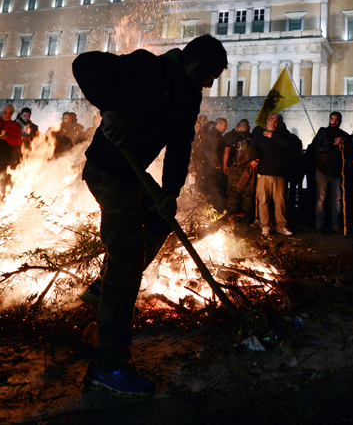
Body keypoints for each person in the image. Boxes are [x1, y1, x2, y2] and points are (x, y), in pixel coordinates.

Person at [72, 33, 227, 397]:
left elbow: (179, 147)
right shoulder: (146, 65)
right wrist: (108, 108)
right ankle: (107, 365)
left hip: (134, 176)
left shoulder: (190, 95)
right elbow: (85, 64)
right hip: (110, 170)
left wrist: (170, 193)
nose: (210, 84)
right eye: (211, 77)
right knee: (126, 260)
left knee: (161, 222)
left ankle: (101, 287)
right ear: (199, 66)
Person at [251, 113, 293, 236]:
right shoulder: (258, 137)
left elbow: (287, 146)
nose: (273, 122)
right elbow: (251, 150)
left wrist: (273, 136)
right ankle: (265, 226)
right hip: (263, 174)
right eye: (272, 119)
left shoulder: (282, 137)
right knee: (263, 201)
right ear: (267, 120)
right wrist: (252, 160)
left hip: (279, 174)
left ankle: (281, 226)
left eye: (276, 121)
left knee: (280, 202)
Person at [310, 112, 348, 234]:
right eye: (332, 119)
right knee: (321, 198)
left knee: (337, 200)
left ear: (340, 121)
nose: (334, 121)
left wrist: (344, 140)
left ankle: (336, 224)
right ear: (329, 120)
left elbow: (352, 139)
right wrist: (333, 144)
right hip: (323, 170)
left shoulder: (343, 134)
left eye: (337, 120)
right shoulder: (323, 132)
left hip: (337, 172)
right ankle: (319, 224)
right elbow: (318, 149)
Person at [222, 119, 253, 218]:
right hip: (248, 169)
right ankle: (248, 214)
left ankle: (232, 213)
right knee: (248, 191)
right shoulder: (252, 137)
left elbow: (226, 151)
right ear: (248, 127)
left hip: (234, 168)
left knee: (233, 191)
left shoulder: (232, 136)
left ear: (238, 126)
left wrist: (225, 165)